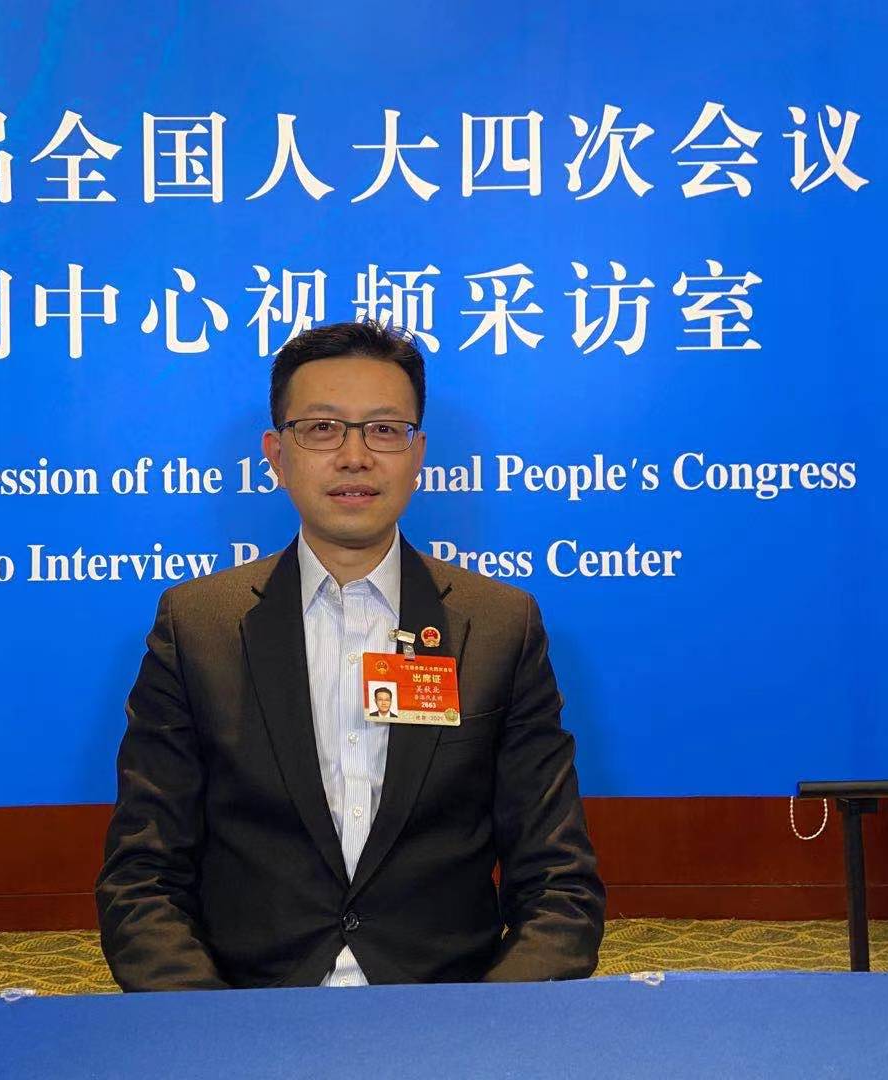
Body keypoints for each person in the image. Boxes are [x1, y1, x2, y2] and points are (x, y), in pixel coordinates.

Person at [95, 320, 605, 990]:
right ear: (276, 454)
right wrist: (212, 1028)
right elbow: (143, 878)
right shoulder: (198, 628)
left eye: (385, 430)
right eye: (322, 428)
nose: (355, 456)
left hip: (447, 1008)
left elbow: (559, 885)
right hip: (250, 1008)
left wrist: (486, 1026)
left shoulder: (498, 626)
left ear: (419, 455)